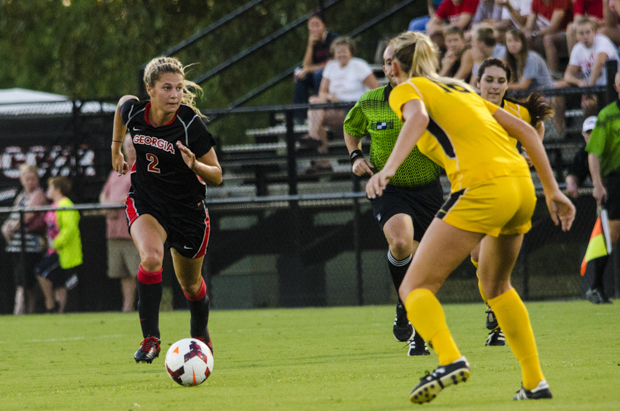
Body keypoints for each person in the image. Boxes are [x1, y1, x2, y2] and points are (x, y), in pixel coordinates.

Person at [366, 31, 575, 403]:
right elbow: (526, 130)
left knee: (413, 288)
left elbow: (416, 118)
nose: (385, 68)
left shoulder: (405, 88)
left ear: (395, 66)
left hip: (482, 188)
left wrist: (388, 169)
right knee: (496, 286)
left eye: (386, 61)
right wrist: (553, 190)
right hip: (521, 189)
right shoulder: (461, 89)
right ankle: (534, 382)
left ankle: (449, 360)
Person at [112, 56, 222, 363]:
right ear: (150, 89)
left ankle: (200, 334)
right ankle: (151, 340)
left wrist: (195, 164)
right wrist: (115, 147)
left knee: (190, 285)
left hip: (188, 211)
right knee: (150, 259)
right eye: (166, 88)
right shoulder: (136, 112)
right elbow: (122, 104)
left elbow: (217, 174)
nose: (174, 94)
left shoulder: (189, 124)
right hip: (148, 202)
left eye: (178, 88)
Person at [343, 42, 443, 356]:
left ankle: (409, 307)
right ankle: (411, 313)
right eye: (386, 62)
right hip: (390, 189)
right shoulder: (371, 101)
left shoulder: (433, 97)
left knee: (426, 263)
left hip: (429, 189)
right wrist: (355, 156)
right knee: (401, 243)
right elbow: (351, 127)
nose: (390, 68)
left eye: (396, 61)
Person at [474, 57, 554, 346]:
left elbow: (537, 126)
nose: (495, 86)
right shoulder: (467, 106)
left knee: (489, 263)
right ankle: (495, 314)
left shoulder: (515, 111)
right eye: (489, 80)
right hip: (472, 189)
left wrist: (530, 154)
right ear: (477, 81)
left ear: (508, 84)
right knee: (476, 257)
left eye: (500, 81)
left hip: (506, 191)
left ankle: (498, 318)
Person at [301, 37, 379, 173]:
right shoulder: (331, 67)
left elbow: (376, 89)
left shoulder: (359, 65)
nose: (341, 54)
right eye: (338, 52)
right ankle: (323, 160)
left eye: (344, 51)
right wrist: (331, 98)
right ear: (334, 53)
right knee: (314, 103)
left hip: (354, 108)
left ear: (351, 52)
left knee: (315, 112)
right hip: (334, 106)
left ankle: (313, 138)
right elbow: (322, 93)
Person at [584, 71, 620, 303]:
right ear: (616, 86)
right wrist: (597, 184)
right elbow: (594, 153)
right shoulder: (608, 116)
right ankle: (595, 286)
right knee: (611, 232)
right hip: (616, 180)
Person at [100, 133, 141, 313]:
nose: (130, 148)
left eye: (133, 145)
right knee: (122, 273)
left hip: (133, 231)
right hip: (114, 230)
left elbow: (136, 194)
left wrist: (114, 204)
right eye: (127, 145)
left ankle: (147, 305)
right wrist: (105, 206)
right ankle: (127, 306)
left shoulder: (143, 169)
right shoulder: (117, 169)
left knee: (138, 271)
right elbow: (104, 194)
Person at [1, 164, 47, 315]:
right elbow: (14, 215)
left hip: (29, 247)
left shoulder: (38, 194)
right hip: (16, 246)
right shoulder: (21, 195)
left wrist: (12, 228)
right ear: (21, 180)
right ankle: (28, 311)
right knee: (23, 282)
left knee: (24, 282)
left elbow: (27, 216)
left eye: (33, 178)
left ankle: (19, 311)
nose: (30, 182)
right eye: (27, 179)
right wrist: (6, 227)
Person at [36, 176, 83, 314]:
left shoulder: (66, 204)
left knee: (41, 271)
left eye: (50, 187)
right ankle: (59, 311)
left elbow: (69, 229)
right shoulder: (53, 206)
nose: (47, 191)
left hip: (63, 251)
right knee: (58, 282)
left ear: (57, 189)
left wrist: (56, 243)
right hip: (53, 250)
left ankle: (51, 304)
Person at [293, 12, 339, 125]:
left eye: (317, 25)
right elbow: (306, 66)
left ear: (324, 26)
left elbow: (332, 64)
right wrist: (310, 45)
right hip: (317, 75)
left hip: (333, 78)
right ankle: (300, 118)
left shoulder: (333, 39)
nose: (314, 29)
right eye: (311, 25)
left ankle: (320, 112)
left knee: (319, 74)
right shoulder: (313, 42)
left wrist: (308, 70)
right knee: (300, 78)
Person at [523, 0, 573, 75]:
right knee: (525, 38)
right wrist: (526, 34)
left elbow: (554, 27)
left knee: (548, 39)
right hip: (547, 33)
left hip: (566, 33)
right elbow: (529, 26)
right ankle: (528, 74)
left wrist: (534, 33)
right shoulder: (536, 2)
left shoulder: (561, 1)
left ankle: (553, 74)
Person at [504, 28, 554, 93]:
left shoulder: (531, 58)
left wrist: (502, 86)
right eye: (509, 41)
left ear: (523, 43)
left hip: (543, 95)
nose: (512, 44)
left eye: (516, 41)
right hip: (526, 96)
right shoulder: (512, 60)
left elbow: (524, 85)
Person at [566, 116, 597, 198]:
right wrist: (571, 183)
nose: (592, 135)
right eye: (589, 132)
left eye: (595, 131)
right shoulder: (584, 153)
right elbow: (574, 171)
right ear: (583, 135)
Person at [469, 24, 506, 90]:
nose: (472, 44)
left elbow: (492, 81)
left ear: (481, 43)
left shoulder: (503, 53)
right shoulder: (480, 55)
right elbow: (473, 84)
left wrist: (480, 63)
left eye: (473, 41)